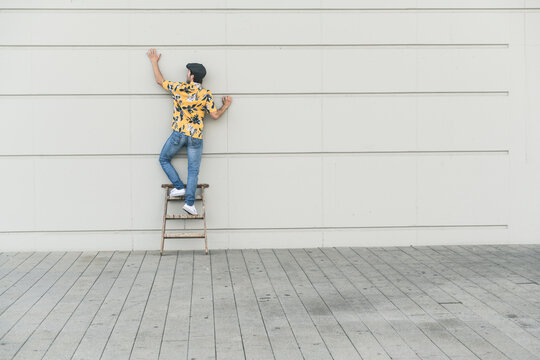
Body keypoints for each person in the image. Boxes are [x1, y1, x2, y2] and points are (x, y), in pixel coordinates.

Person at [146, 48, 232, 215]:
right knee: (193, 171)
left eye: (188, 72)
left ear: (192, 76)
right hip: (195, 136)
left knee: (164, 159)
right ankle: (190, 204)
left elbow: (159, 80)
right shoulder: (206, 94)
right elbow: (214, 115)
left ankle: (179, 187)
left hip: (179, 133)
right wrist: (225, 106)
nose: (187, 74)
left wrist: (154, 62)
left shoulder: (180, 88)